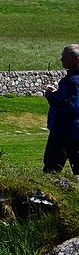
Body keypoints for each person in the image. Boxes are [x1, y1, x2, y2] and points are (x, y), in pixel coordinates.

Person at [44, 44, 79, 174]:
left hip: (64, 131)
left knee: (51, 168)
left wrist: (51, 96)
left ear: (76, 59)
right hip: (74, 130)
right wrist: (58, 93)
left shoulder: (73, 81)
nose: (61, 60)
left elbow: (70, 105)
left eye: (65, 57)